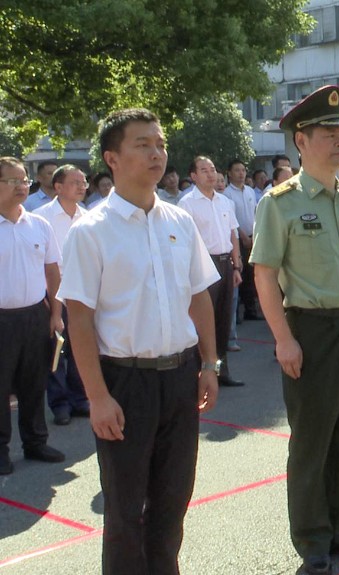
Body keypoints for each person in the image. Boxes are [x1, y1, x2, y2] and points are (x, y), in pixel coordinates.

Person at [58, 109, 220, 573]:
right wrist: (98, 397)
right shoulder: (90, 230)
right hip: (124, 383)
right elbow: (80, 321)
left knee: (173, 500)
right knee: (126, 510)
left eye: (160, 142)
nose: (156, 153)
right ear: (112, 157)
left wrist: (209, 364)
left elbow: (199, 297)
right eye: (142, 144)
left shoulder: (179, 221)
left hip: (179, 378)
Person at [250, 85, 339, 574]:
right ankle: (313, 539)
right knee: (312, 441)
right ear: (301, 141)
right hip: (311, 330)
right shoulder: (279, 203)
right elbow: (264, 274)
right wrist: (283, 339)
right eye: (328, 133)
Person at [0, 156, 66, 476]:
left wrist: (55, 314)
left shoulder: (40, 224)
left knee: (33, 382)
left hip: (34, 316)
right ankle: (1, 450)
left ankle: (35, 441)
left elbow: (53, 272)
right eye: (11, 180)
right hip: (2, 319)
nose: (21, 185)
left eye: (23, 179)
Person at [177, 156, 245, 387]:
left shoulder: (225, 202)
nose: (210, 174)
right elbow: (184, 242)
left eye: (213, 169)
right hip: (203, 266)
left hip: (226, 264)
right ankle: (199, 372)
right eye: (204, 170)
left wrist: (236, 265)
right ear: (193, 176)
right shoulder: (186, 204)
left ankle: (221, 370)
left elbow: (232, 234)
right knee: (202, 320)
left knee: (224, 319)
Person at [32, 164, 91, 425]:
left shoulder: (88, 216)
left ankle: (80, 398)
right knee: (57, 350)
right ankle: (60, 404)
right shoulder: (41, 217)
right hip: (54, 293)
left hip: (82, 292)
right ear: (58, 187)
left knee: (81, 348)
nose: (82, 186)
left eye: (84, 182)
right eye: (75, 182)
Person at [224, 159, 260, 321]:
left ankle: (251, 310)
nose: (241, 174)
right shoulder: (226, 194)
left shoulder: (250, 192)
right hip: (238, 239)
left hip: (254, 237)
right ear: (229, 173)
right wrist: (244, 236)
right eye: (237, 170)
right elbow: (231, 220)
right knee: (241, 273)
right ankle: (237, 312)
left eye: (243, 170)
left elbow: (254, 215)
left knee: (254, 274)